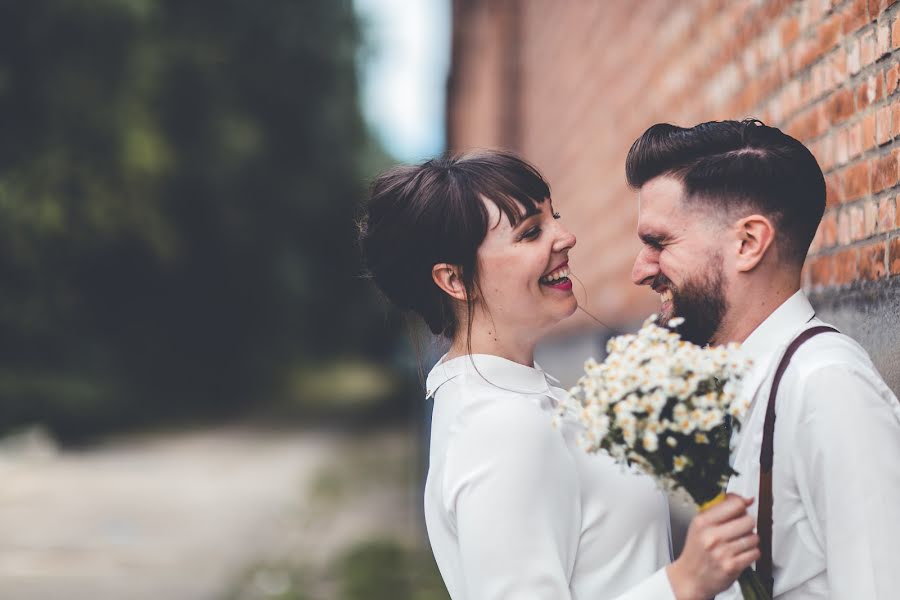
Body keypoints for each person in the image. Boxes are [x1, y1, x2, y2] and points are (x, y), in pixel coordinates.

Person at [359, 150, 759, 600]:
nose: (566, 238)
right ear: (455, 280)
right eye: (530, 232)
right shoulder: (500, 424)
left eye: (556, 219)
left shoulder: (521, 395)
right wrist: (684, 582)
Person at [626, 119, 900, 599]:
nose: (639, 270)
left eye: (659, 243)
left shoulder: (828, 388)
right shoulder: (749, 383)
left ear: (749, 243)